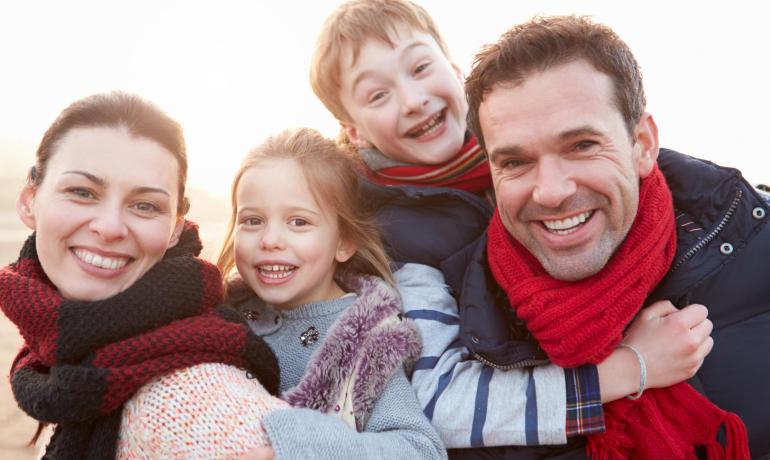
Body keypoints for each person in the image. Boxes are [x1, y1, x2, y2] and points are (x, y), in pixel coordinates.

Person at [310, 1, 716, 456]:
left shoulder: (536, 149)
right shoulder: (390, 238)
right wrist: (630, 368)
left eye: (420, 67)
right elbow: (438, 402)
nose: (413, 99)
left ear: (454, 68)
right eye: (378, 95)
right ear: (354, 132)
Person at [465, 15, 768, 459]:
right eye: (514, 162)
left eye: (582, 146)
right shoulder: (457, 333)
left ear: (643, 143)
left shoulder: (756, 247)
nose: (550, 191)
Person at [0, 92, 285, 458]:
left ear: (176, 229)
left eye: (144, 205)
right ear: (29, 200)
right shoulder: (66, 359)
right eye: (82, 192)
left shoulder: (192, 406)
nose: (109, 227)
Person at [216, 127, 447, 459]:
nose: (270, 240)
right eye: (252, 220)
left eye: (298, 222)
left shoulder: (365, 342)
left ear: (343, 241)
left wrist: (296, 449)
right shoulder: (222, 313)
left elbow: (421, 450)